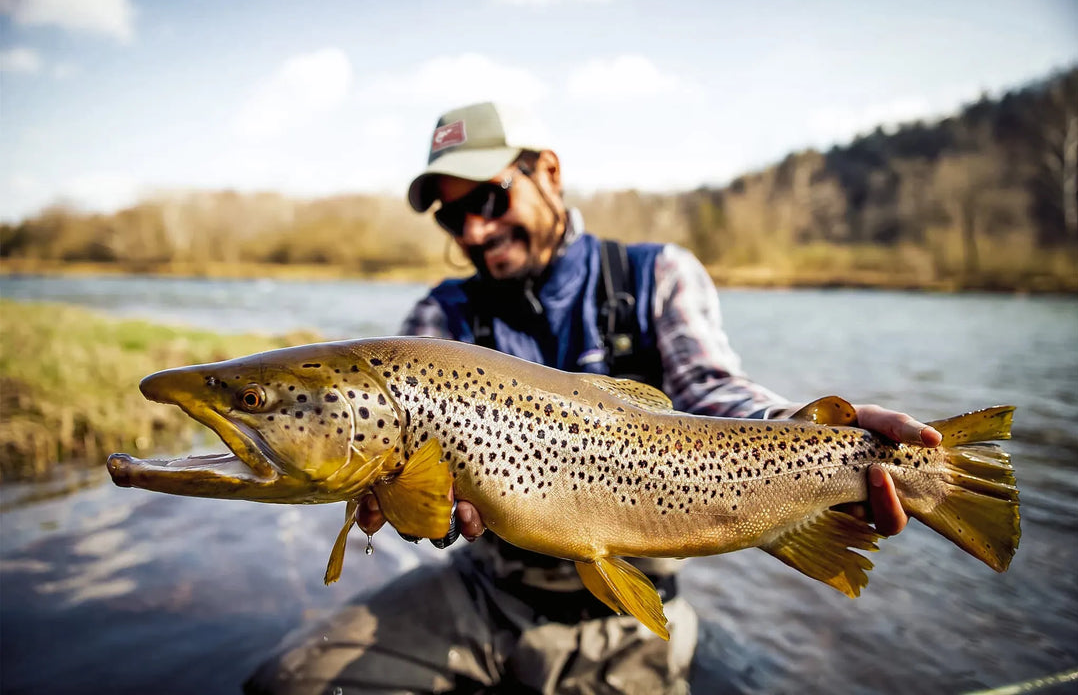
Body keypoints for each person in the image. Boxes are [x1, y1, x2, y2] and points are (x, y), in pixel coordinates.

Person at [245, 102, 942, 695]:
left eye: (487, 200)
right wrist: (392, 501)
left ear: (547, 172)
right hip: (484, 592)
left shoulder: (658, 273)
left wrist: (806, 431)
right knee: (289, 682)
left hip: (629, 616)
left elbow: (710, 387)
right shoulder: (441, 318)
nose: (477, 232)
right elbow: (381, 447)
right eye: (452, 221)